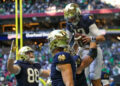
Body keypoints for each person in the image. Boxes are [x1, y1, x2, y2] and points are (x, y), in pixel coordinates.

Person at [64, 3, 105, 86]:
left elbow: (102, 38)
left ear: (77, 14)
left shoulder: (87, 20)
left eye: (72, 17)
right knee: (79, 77)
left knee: (93, 77)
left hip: (94, 50)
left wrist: (91, 39)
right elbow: (66, 40)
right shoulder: (69, 25)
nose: (71, 20)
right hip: (81, 50)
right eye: (69, 18)